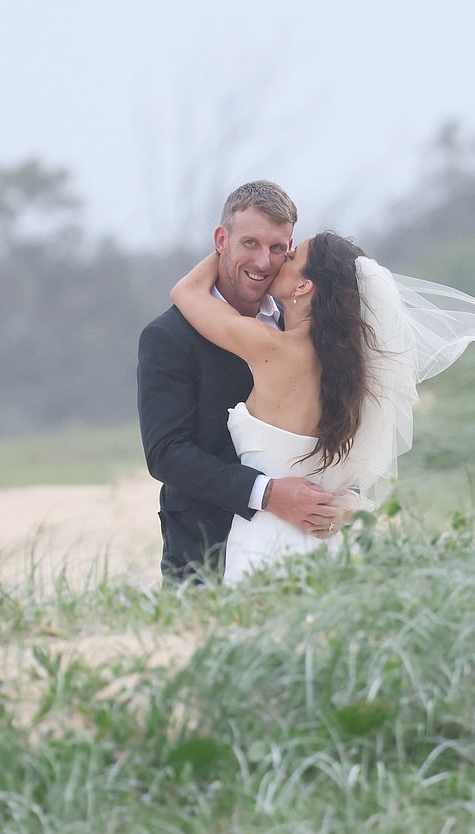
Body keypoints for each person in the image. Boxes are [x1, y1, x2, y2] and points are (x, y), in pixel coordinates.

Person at [171, 231, 475, 583]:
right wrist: (346, 502)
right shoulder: (355, 372)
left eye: (290, 253)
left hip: (263, 540)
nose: (280, 257)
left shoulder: (274, 349)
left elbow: (186, 291)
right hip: (326, 541)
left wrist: (236, 243)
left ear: (304, 286)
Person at [137, 181, 344, 581]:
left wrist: (340, 499)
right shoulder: (167, 336)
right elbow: (166, 452)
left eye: (277, 248)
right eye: (249, 243)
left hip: (301, 547)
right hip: (202, 550)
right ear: (221, 240)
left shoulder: (302, 329)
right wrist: (267, 494)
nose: (263, 262)